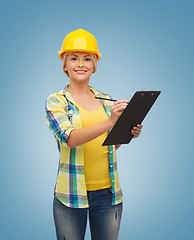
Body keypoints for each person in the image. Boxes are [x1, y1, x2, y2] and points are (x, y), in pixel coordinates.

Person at [45, 29, 143, 240]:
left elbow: (109, 145)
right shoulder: (56, 101)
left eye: (87, 59)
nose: (81, 64)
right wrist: (109, 122)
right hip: (70, 196)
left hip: (108, 195)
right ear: (65, 65)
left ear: (94, 65)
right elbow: (70, 139)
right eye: (74, 58)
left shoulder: (105, 100)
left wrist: (127, 133)